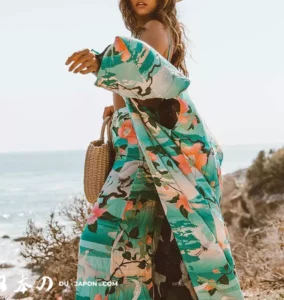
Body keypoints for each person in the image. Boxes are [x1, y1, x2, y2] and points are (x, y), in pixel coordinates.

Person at [65, 1, 244, 300]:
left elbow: (148, 76)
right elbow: (143, 87)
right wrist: (120, 109)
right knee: (147, 247)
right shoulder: (152, 30)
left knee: (105, 242)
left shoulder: (155, 28)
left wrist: (101, 62)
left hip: (142, 155)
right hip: (140, 147)